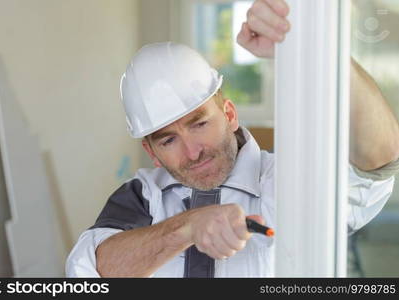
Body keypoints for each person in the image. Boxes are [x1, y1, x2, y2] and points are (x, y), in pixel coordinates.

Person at [66, 0, 399, 277]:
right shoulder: (142, 197)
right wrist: (186, 228)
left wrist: (318, 47)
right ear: (151, 152)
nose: (193, 152)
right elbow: (89, 270)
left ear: (229, 114)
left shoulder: (286, 182)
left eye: (199, 124)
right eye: (168, 140)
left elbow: (378, 159)